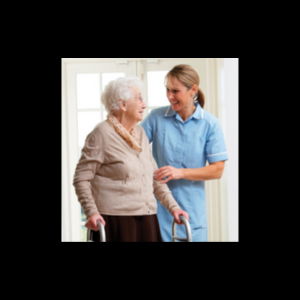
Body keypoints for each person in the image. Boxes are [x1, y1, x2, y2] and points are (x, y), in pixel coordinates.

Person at [73, 77, 189, 242]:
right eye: (139, 98)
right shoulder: (101, 134)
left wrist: (174, 208)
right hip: (115, 221)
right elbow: (81, 178)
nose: (144, 104)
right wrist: (91, 212)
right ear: (123, 104)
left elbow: (155, 178)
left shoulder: (140, 133)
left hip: (147, 219)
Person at [141, 64, 228, 242]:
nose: (169, 96)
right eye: (167, 90)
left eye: (175, 91)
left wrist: (180, 172)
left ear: (192, 90)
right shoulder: (156, 118)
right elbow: (132, 148)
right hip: (159, 208)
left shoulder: (210, 124)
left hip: (192, 212)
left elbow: (217, 170)